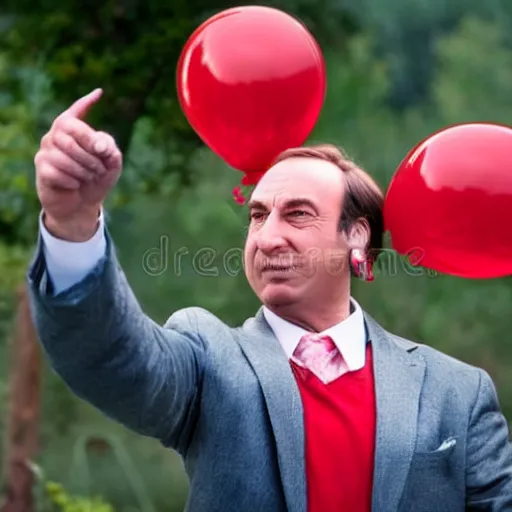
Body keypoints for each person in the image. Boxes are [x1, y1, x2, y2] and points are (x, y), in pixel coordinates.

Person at [28, 89, 512, 512]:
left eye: (297, 215)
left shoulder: (457, 393)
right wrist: (72, 226)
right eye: (258, 217)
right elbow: (112, 358)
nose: (268, 237)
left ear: (357, 236)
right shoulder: (207, 359)